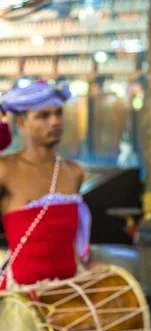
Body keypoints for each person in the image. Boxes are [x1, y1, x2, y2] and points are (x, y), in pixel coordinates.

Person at [0, 81, 91, 290]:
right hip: (20, 297)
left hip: (70, 292)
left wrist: (90, 270)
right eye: (43, 116)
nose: (55, 121)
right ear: (22, 123)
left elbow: (70, 242)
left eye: (58, 113)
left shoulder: (74, 172)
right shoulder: (4, 169)